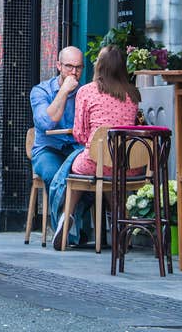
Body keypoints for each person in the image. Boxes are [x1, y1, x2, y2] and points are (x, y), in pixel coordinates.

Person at [48, 45, 141, 250]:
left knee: (74, 168)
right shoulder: (133, 94)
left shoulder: (86, 91)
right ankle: (119, 223)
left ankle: (66, 217)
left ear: (99, 65)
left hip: (94, 161)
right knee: (110, 173)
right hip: (126, 164)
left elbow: (80, 135)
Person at [30, 46, 87, 248]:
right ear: (58, 66)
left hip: (75, 149)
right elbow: (46, 123)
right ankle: (68, 228)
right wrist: (63, 91)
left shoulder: (85, 92)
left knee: (86, 175)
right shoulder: (41, 91)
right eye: (69, 66)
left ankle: (66, 221)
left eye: (78, 67)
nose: (74, 72)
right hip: (48, 149)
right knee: (55, 174)